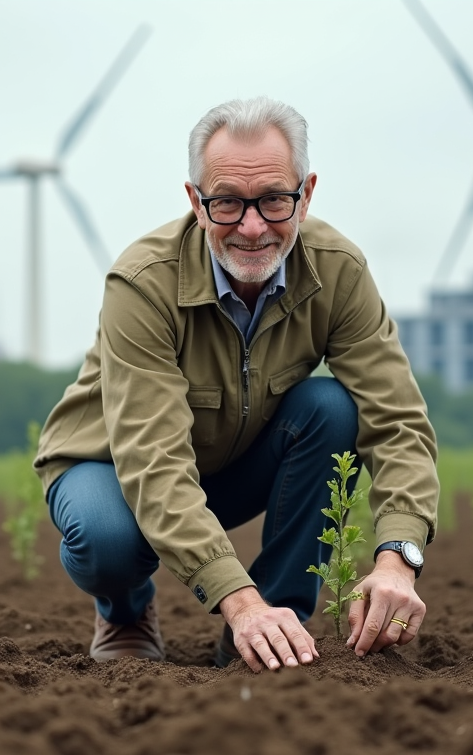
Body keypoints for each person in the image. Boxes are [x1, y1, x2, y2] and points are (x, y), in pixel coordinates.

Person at [34, 97, 439, 673]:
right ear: (196, 202)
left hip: (237, 463)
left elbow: (397, 420)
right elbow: (152, 462)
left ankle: (281, 623)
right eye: (226, 202)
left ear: (307, 193)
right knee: (106, 538)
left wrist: (399, 555)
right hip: (113, 470)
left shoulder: (337, 269)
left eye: (275, 199)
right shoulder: (143, 282)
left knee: (330, 406)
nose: (252, 227)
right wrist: (236, 601)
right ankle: (126, 613)